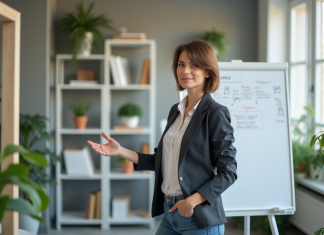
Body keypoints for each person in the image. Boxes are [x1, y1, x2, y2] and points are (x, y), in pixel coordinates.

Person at [87, 40, 237, 235]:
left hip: (198, 218)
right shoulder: (176, 111)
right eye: (181, 64)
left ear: (208, 71)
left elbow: (229, 172)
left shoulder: (215, 113)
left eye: (194, 65)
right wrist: (120, 151)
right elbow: (161, 161)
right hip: (170, 213)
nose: (185, 71)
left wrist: (191, 202)